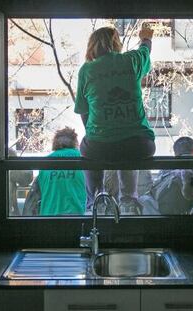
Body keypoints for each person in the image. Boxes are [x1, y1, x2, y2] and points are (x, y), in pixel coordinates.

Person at [74, 25, 156, 215]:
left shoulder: (87, 71)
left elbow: (83, 111)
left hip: (99, 147)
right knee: (127, 151)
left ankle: (95, 201)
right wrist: (146, 38)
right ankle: (128, 201)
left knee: (90, 150)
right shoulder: (130, 61)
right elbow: (145, 51)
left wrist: (97, 133)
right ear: (115, 43)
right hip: (139, 145)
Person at [22, 127, 86, 216]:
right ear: (75, 142)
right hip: (75, 218)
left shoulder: (45, 163)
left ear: (55, 143)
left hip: (48, 219)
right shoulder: (82, 160)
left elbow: (33, 198)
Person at [139, 137, 193, 215]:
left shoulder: (166, 168)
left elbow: (155, 188)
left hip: (166, 211)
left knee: (144, 199)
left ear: (175, 154)